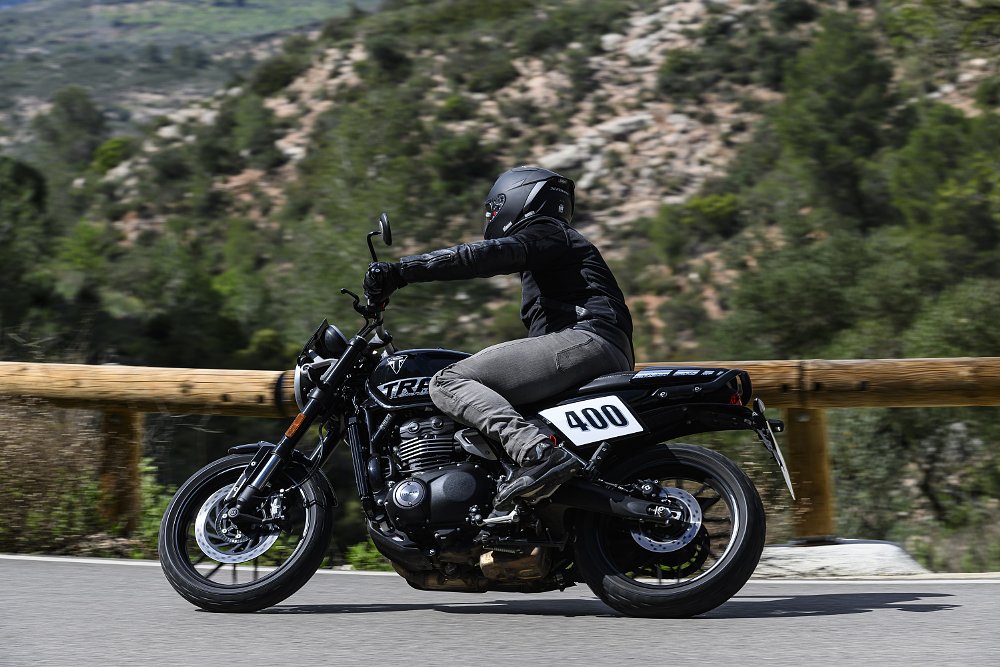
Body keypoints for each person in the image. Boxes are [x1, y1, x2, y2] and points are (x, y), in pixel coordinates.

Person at [363, 166, 633, 510]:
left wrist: (402, 271)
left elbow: (481, 257)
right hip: (594, 346)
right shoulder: (556, 246)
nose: (490, 216)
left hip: (586, 338)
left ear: (515, 199)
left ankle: (538, 453)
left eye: (492, 209)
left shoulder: (548, 231)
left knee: (447, 381)